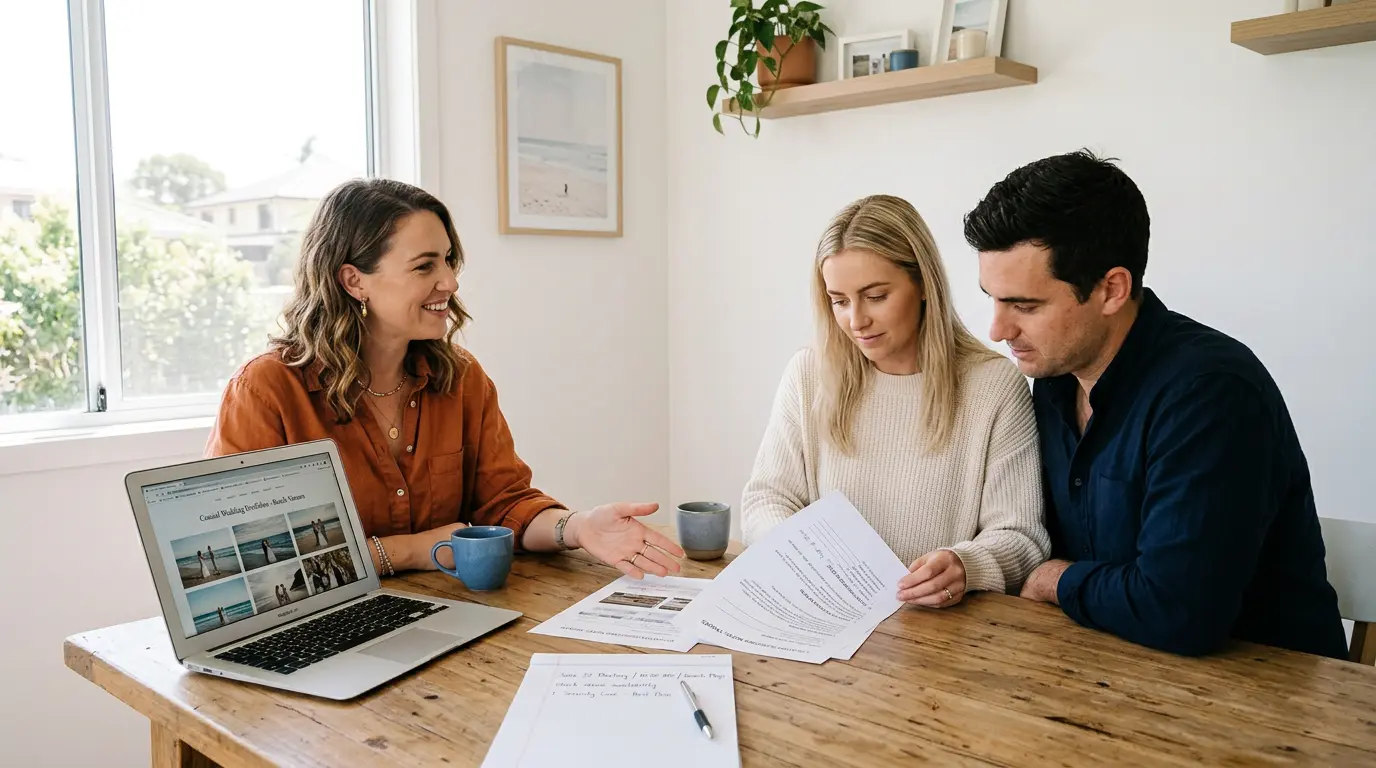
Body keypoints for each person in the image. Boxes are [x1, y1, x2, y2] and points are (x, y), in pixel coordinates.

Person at [965, 149, 1346, 659]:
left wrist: (1057, 581)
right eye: (992, 298)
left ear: (1112, 290)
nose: (998, 330)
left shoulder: (1210, 392)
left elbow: (1181, 611)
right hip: (1115, 672)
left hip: (1270, 700)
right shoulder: (1054, 378)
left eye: (1025, 306)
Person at [205, 178, 684, 579]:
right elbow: (254, 567)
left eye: (449, 259)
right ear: (354, 281)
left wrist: (577, 527)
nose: (450, 281)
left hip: (448, 617)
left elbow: (504, 505)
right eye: (424, 266)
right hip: (321, 631)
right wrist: (414, 550)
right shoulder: (267, 391)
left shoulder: (461, 378)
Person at [741, 194, 1050, 608]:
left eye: (876, 296)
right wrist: (803, 557)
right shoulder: (809, 374)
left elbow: (1021, 536)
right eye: (839, 300)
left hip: (943, 636)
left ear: (922, 284)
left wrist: (966, 564)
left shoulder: (993, 386)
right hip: (826, 616)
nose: (856, 320)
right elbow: (766, 500)